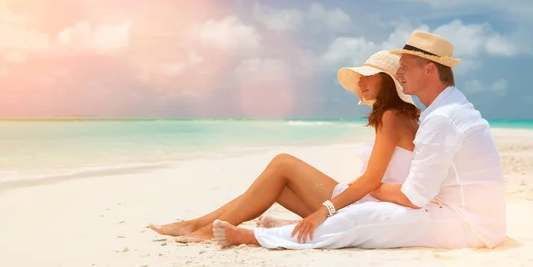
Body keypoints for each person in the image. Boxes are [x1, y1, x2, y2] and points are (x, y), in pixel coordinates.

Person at [212, 30, 506, 250]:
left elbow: (413, 197)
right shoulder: (447, 109)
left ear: (429, 69)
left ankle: (252, 236)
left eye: (405, 67)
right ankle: (272, 229)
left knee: (361, 217)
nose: (399, 73)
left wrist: (369, 186)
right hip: (467, 216)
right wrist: (365, 187)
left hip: (465, 223)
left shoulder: (443, 118)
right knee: (360, 212)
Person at [148, 50, 420, 243]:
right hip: (371, 200)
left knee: (282, 162)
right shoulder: (401, 115)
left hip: (369, 205)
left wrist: (324, 209)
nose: (360, 81)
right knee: (274, 186)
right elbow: (379, 175)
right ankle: (195, 225)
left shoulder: (391, 116)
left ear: (386, 81)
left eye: (367, 76)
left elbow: (372, 180)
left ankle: (201, 228)